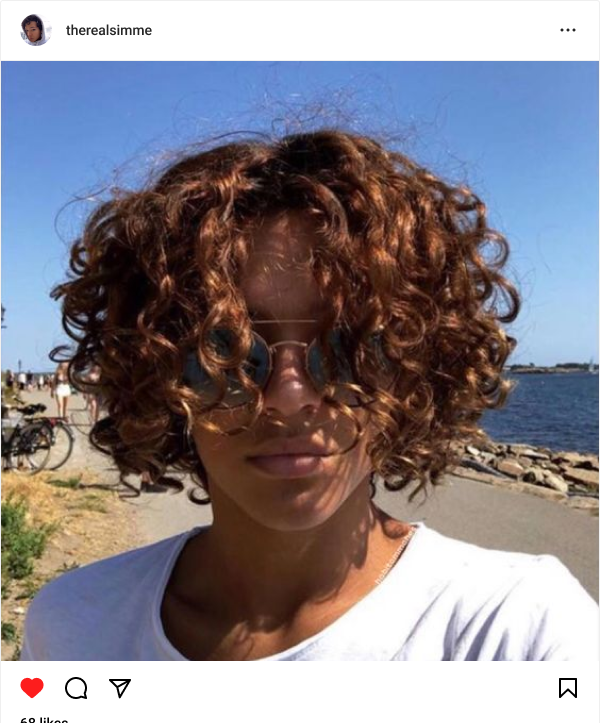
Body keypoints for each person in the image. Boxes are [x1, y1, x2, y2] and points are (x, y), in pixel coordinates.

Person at [21, 130, 598, 661]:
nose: (288, 396)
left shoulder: (522, 633)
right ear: (154, 368)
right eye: (226, 347)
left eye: (348, 346)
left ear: (416, 370)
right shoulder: (73, 625)